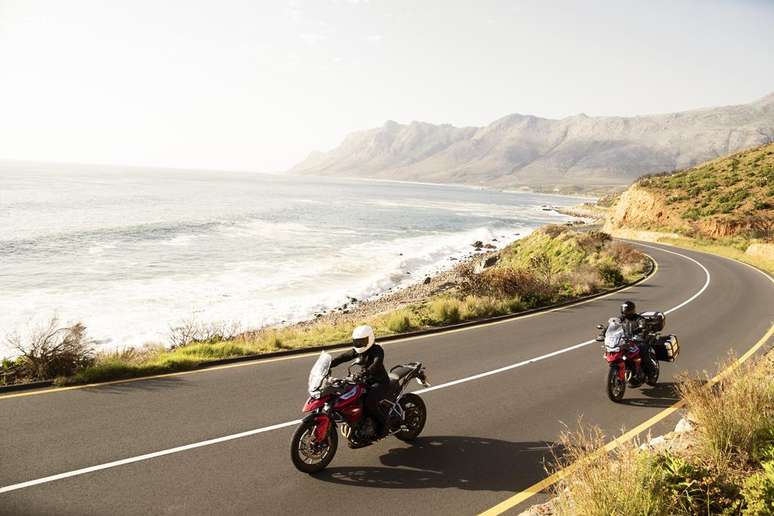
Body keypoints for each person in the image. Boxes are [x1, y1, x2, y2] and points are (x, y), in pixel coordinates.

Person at [330, 324, 393, 436]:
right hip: (365, 381)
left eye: (362, 341)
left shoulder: (377, 349)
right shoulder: (358, 350)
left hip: (379, 382)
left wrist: (365, 372)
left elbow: (376, 363)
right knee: (352, 398)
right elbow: (344, 357)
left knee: (369, 401)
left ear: (370, 338)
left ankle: (385, 423)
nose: (359, 344)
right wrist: (330, 364)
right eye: (357, 342)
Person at [618, 301, 655, 377]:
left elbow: (642, 324)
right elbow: (612, 325)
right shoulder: (621, 319)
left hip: (638, 340)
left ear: (632, 310)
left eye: (627, 310)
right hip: (626, 341)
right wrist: (604, 332)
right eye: (624, 310)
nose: (625, 312)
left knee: (643, 353)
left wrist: (640, 328)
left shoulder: (638, 318)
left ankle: (652, 372)